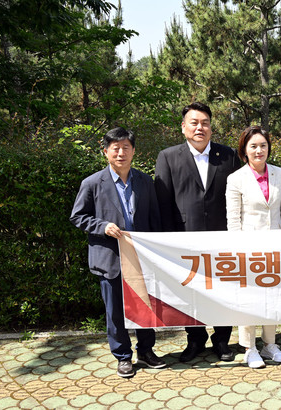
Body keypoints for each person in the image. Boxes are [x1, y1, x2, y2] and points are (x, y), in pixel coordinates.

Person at [70, 127, 166, 378]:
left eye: (126, 147)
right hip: (110, 257)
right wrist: (102, 226)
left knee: (145, 306)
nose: (121, 153)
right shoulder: (92, 183)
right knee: (114, 311)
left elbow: (154, 218)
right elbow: (78, 217)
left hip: (141, 258)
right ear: (105, 152)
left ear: (133, 151)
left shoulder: (144, 181)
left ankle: (146, 351)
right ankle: (123, 357)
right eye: (115, 148)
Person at [154, 102, 241, 363]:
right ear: (183, 127)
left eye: (205, 123)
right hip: (184, 239)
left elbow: (240, 196)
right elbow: (163, 202)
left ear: (211, 127)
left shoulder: (228, 156)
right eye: (194, 123)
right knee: (190, 291)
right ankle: (195, 339)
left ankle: (222, 339)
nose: (199, 127)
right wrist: (167, 241)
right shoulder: (168, 157)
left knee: (223, 289)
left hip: (222, 238)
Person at [225, 126, 281, 368]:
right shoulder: (236, 178)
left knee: (272, 296)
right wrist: (238, 250)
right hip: (249, 248)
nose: (259, 150)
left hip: (276, 246)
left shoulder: (279, 174)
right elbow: (233, 220)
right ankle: (249, 348)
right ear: (244, 150)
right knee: (249, 298)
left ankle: (270, 344)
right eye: (253, 146)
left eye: (263, 145)